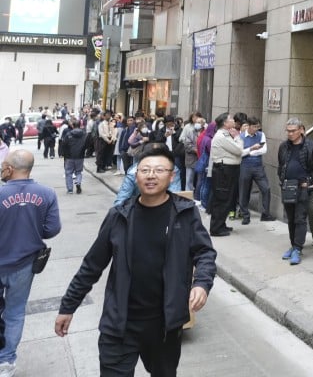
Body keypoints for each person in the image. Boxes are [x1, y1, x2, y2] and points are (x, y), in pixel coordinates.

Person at [55, 145, 216, 376]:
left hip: (164, 326)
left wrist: (201, 283)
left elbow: (205, 253)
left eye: (159, 170)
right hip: (119, 324)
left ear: (172, 176)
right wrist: (68, 306)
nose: (151, 175)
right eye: (145, 170)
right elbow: (92, 265)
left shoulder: (186, 213)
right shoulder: (119, 216)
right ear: (136, 175)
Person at [0, 150, 62, 377]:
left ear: (10, 168)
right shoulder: (46, 193)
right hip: (24, 265)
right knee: (15, 313)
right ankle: (5, 362)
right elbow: (52, 228)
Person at [278, 117, 313, 265]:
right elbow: (281, 165)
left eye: (293, 131)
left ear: (301, 130)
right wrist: (282, 179)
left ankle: (298, 248)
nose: (290, 134)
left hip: (303, 188)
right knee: (290, 218)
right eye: (288, 131)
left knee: (300, 218)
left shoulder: (311, 146)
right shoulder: (284, 147)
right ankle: (293, 245)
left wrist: (309, 182)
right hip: (287, 187)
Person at [208, 113, 243, 237]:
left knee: (227, 199)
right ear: (225, 123)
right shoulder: (221, 136)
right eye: (231, 119)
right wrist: (238, 137)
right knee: (222, 199)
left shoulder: (226, 135)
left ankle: (221, 224)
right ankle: (216, 228)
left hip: (228, 170)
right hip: (224, 170)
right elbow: (238, 150)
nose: (233, 120)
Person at [238, 116, 272, 224]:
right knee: (244, 191)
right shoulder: (240, 137)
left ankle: (266, 213)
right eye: (254, 126)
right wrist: (251, 149)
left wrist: (249, 153)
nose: (256, 129)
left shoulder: (261, 135)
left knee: (266, 188)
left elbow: (264, 150)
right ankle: (245, 215)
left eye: (258, 126)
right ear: (249, 126)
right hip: (245, 167)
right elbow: (239, 153)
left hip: (258, 166)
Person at [59, 116, 89, 194]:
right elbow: (87, 144)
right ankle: (78, 182)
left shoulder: (68, 134)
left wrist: (63, 154)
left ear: (73, 125)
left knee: (68, 172)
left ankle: (70, 189)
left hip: (69, 156)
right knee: (78, 171)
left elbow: (64, 145)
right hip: (80, 156)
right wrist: (84, 150)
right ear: (80, 125)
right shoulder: (84, 134)